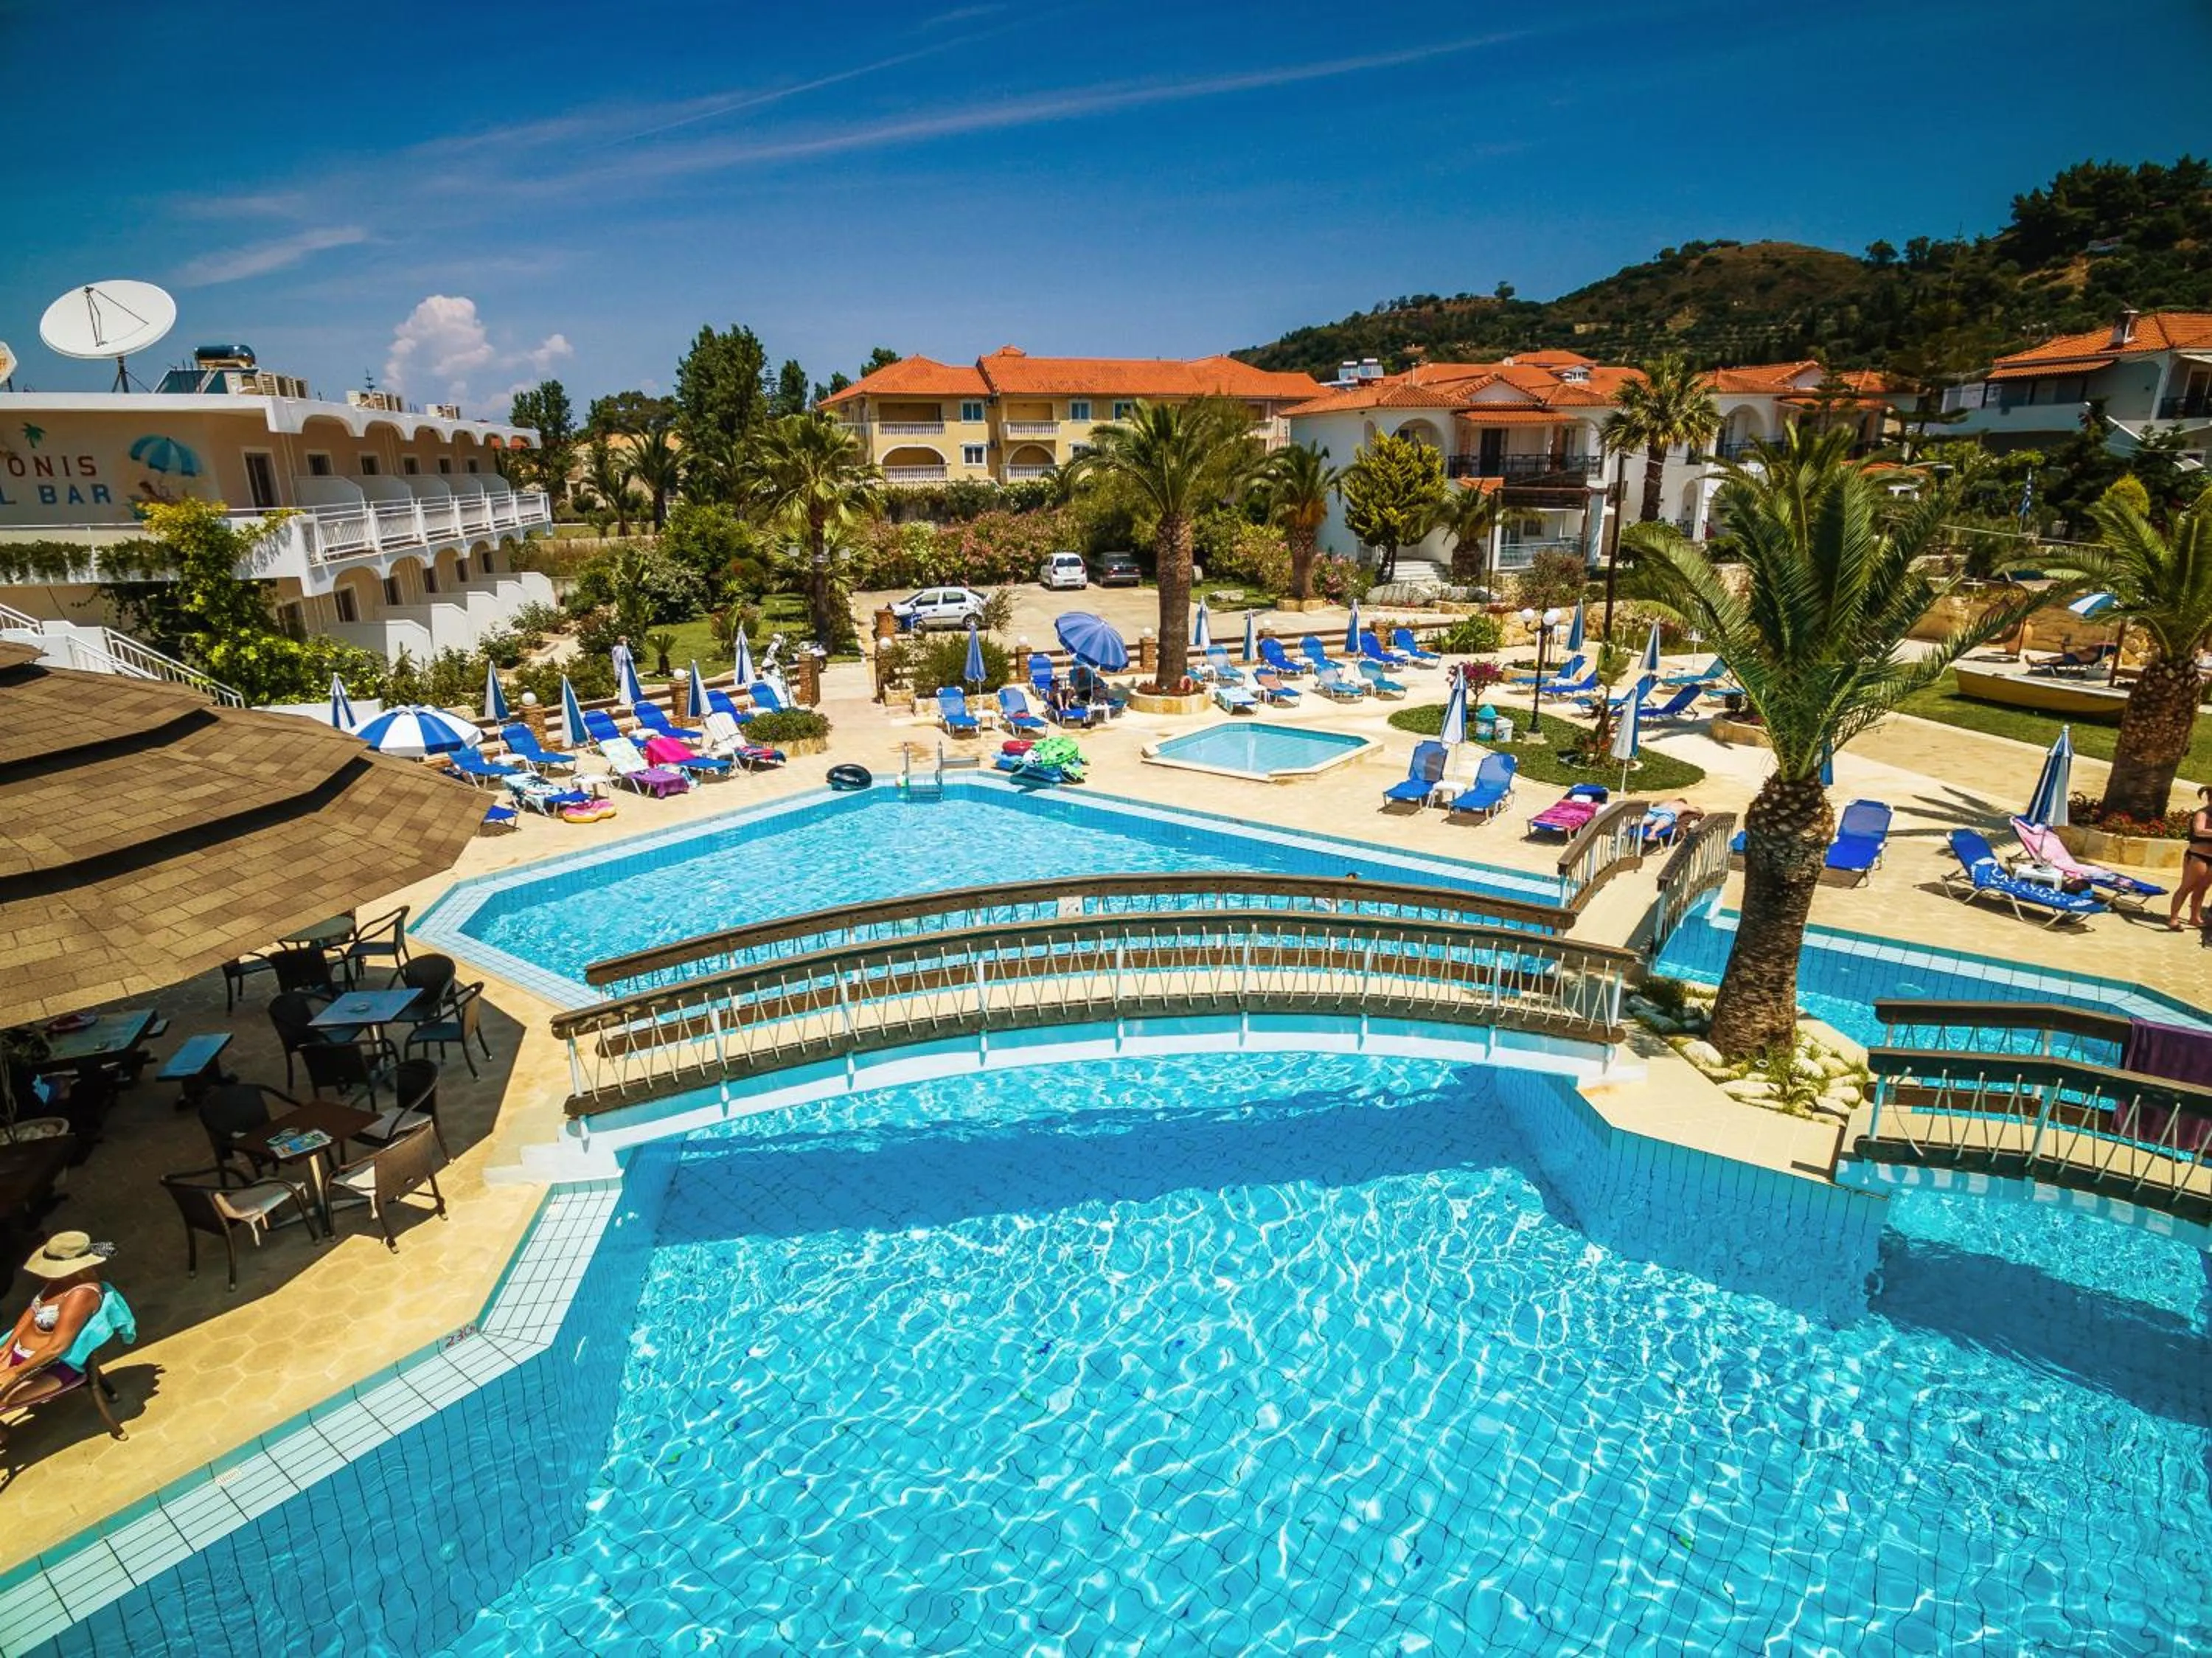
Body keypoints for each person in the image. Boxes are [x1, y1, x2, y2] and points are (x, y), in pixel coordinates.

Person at [0, 1232, 135, 1412]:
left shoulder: (81, 1295)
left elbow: (57, 1347)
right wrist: (8, 1346)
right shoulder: (60, 1281)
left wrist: (16, 1373)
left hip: (51, 1365)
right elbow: (32, 1311)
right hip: (20, 1355)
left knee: (3, 1400)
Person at [2171, 785, 2212, 934]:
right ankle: (2173, 919)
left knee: (2203, 889)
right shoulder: (2203, 814)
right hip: (2198, 856)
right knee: (2187, 887)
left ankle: (2194, 918)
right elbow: (2199, 831)